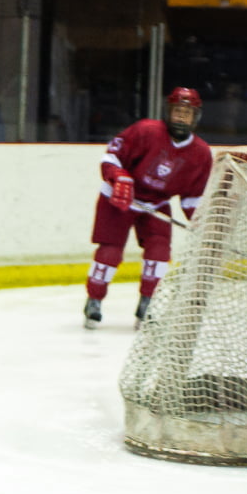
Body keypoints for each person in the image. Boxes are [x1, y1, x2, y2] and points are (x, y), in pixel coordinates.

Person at [83, 87, 212, 329]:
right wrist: (119, 177)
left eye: (187, 113)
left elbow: (192, 198)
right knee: (110, 252)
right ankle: (94, 300)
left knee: (160, 251)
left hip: (157, 204)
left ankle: (147, 303)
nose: (181, 118)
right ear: (168, 112)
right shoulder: (146, 131)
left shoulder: (201, 154)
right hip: (120, 199)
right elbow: (111, 157)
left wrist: (202, 222)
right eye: (177, 111)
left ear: (196, 117)